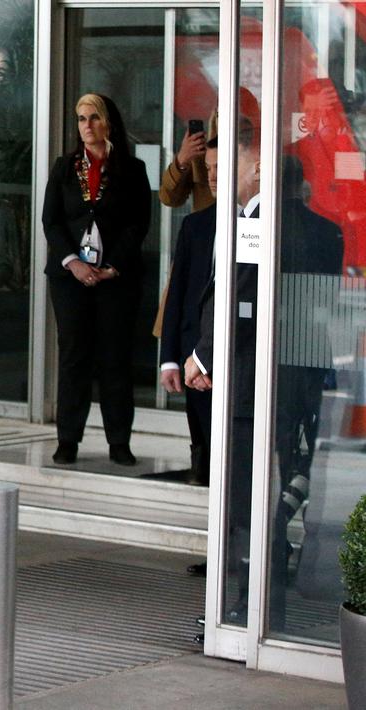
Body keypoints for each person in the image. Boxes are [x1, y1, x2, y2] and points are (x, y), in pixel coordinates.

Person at [186, 138, 342, 625]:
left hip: (250, 380)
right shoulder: (327, 232)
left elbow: (241, 301)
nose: (224, 172)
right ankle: (258, 602)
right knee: (272, 495)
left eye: (235, 163)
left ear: (259, 171)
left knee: (246, 500)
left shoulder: (257, 224)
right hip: (297, 379)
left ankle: (248, 607)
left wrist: (202, 357)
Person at [42, 94, 152, 466]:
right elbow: (51, 221)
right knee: (74, 356)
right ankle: (67, 439)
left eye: (93, 118)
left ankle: (119, 441)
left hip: (116, 279)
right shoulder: (64, 167)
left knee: (114, 358)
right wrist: (74, 263)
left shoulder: (131, 169)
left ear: (108, 123)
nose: (86, 126)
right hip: (70, 277)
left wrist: (113, 266)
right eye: (80, 119)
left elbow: (138, 223)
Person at [160, 138, 220, 486]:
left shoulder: (258, 225)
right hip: (190, 354)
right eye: (208, 168)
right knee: (200, 447)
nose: (211, 176)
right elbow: (176, 294)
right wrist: (170, 358)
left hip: (228, 358)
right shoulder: (195, 225)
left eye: (219, 168)